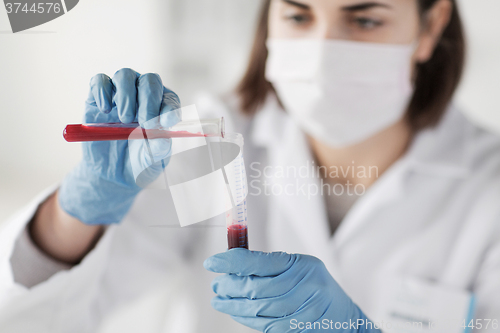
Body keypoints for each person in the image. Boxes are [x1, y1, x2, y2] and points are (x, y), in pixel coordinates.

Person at [1, 0, 500, 332]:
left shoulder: (489, 186)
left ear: (431, 26)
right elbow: (33, 320)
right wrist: (82, 207)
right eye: (299, 17)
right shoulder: (204, 135)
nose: (323, 53)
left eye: (365, 20)